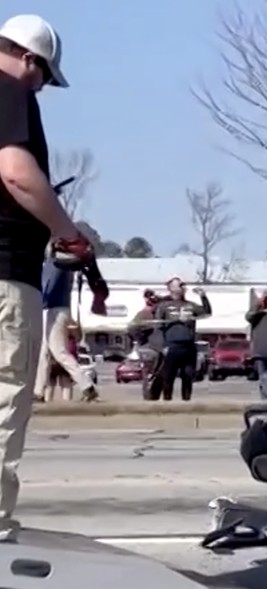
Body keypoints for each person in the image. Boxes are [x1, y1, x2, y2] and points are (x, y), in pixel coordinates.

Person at [0, 14, 86, 541]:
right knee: (4, 395)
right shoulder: (9, 88)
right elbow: (15, 171)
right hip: (5, 274)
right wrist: (66, 230)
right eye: (44, 77)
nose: (41, 88)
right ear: (29, 60)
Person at [33, 256, 99, 403]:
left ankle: (87, 386)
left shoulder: (55, 263)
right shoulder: (60, 263)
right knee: (45, 352)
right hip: (56, 309)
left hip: (53, 309)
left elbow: (49, 287)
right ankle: (38, 391)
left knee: (58, 351)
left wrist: (38, 301)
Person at [156, 277, 212, 401]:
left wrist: (203, 296)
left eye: (183, 285)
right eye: (179, 285)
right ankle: (167, 403)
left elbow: (207, 313)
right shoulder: (164, 306)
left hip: (189, 346)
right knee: (168, 376)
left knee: (187, 376)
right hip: (171, 346)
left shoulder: (190, 305)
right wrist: (162, 346)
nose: (182, 287)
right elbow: (158, 327)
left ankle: (186, 403)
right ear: (171, 288)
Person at [128, 289, 167, 400]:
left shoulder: (160, 314)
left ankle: (153, 398)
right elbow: (131, 329)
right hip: (149, 348)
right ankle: (149, 399)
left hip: (160, 349)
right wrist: (141, 339)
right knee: (150, 376)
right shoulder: (144, 313)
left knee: (158, 376)